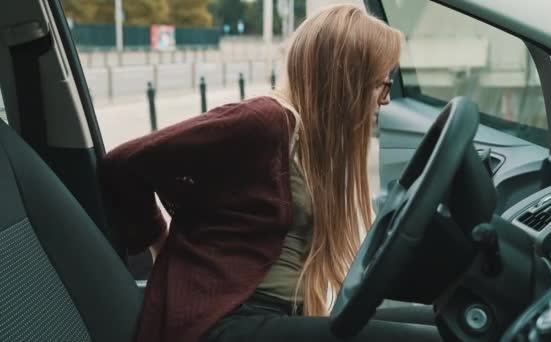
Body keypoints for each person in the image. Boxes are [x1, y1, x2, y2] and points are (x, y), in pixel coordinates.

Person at [99, 5, 441, 342]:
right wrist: (160, 246)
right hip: (224, 321)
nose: (384, 100)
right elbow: (124, 162)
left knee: (440, 324)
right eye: (382, 84)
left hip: (272, 316)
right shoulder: (263, 122)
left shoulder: (312, 142)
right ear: (347, 80)